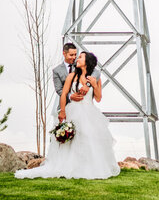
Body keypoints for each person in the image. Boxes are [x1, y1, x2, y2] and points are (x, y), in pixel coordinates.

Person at [15, 51, 120, 180]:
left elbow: (98, 98)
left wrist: (93, 84)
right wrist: (63, 111)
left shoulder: (94, 78)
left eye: (80, 57)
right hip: (74, 111)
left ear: (87, 62)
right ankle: (69, 166)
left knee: (90, 138)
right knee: (73, 140)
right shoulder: (71, 76)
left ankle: (89, 167)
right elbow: (64, 94)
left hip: (89, 112)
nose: (77, 58)